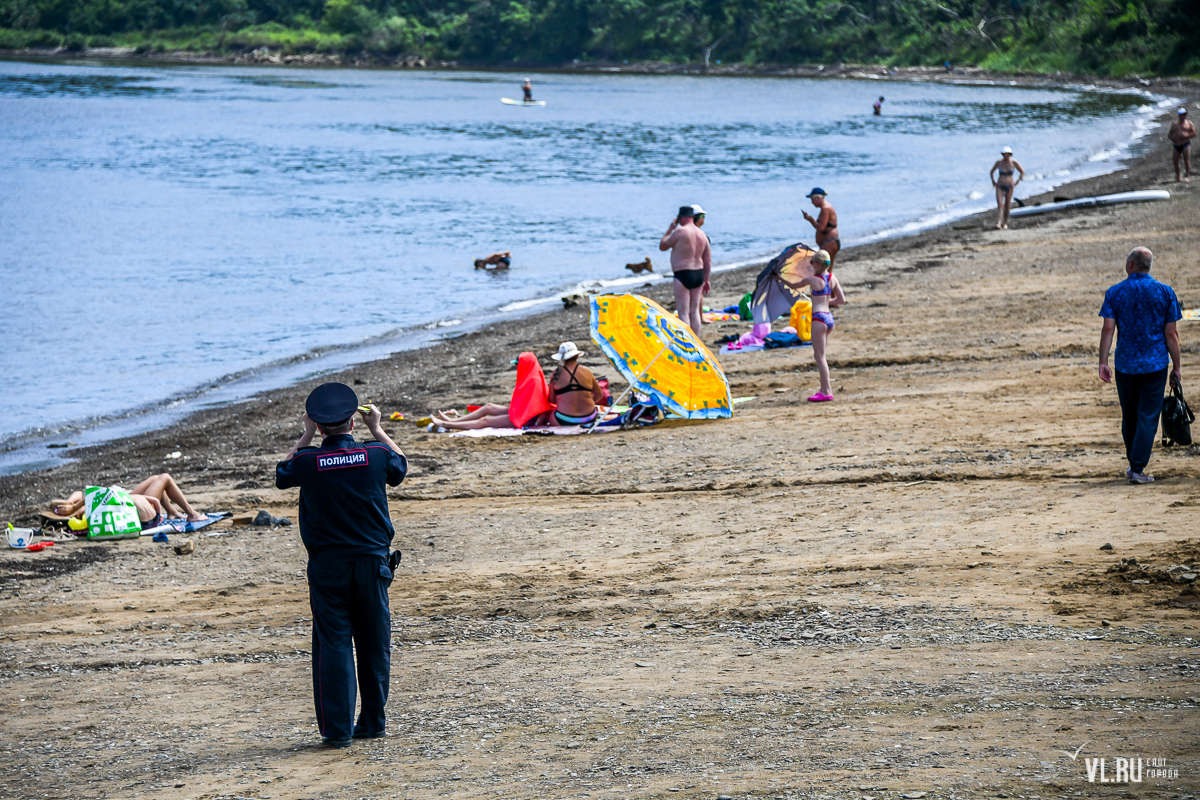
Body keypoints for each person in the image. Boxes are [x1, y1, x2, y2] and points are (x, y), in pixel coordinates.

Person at [276, 382, 407, 747]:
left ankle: (337, 731)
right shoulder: (375, 454)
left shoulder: (307, 462)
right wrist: (377, 429)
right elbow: (401, 466)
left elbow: (282, 474)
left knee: (334, 644)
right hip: (372, 563)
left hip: (328, 567)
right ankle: (373, 722)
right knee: (374, 644)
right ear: (352, 422)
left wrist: (305, 435)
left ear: (319, 425)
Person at [1098, 247, 1183, 484]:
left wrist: (1103, 362)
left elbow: (1108, 329)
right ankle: (1136, 467)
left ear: (1130, 265)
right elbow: (1171, 334)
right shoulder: (1165, 292)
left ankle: (1134, 464)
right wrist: (1176, 366)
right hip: (1155, 364)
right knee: (1148, 416)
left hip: (1125, 365)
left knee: (1130, 416)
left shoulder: (1115, 292)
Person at [431, 352, 556, 430]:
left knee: (485, 421)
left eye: (518, 365)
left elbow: (536, 406)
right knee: (488, 407)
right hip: (523, 413)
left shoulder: (533, 381)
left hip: (526, 419)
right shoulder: (531, 376)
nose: (517, 367)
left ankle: (447, 425)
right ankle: (453, 420)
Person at [784, 250, 845, 402]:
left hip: (818, 319)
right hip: (829, 318)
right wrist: (826, 302)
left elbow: (793, 285)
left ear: (817, 264)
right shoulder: (832, 278)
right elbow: (841, 300)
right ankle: (824, 389)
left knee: (820, 357)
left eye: (812, 263)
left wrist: (779, 278)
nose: (811, 266)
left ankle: (826, 391)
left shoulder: (812, 280)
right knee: (822, 355)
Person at [52, 473, 207, 529]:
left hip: (124, 499)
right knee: (164, 478)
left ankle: (172, 512)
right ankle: (192, 514)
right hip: (128, 506)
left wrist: (71, 504)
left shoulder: (77, 506)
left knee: (155, 478)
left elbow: (78, 494)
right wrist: (74, 508)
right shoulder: (83, 513)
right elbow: (98, 495)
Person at [659, 205, 712, 336]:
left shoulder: (680, 231)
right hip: (698, 274)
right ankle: (696, 341)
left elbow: (663, 246)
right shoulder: (702, 234)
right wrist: (706, 280)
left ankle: (686, 341)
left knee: (683, 312)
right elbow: (707, 260)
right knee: (694, 311)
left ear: (681, 218)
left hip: (682, 274)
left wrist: (670, 229)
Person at [547, 342, 607, 426]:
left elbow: (552, 399)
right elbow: (599, 395)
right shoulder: (587, 371)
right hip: (589, 417)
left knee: (548, 415)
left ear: (561, 358)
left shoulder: (556, 374)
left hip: (565, 419)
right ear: (577, 355)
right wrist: (588, 402)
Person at [989, 146, 1025, 230]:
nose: (1006, 156)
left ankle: (1005, 223)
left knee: (1007, 204)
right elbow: (991, 172)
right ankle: (999, 222)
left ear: (1010, 154)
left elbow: (1022, 172)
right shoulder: (999, 162)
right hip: (1000, 185)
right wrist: (993, 181)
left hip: (1010, 186)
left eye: (1007, 154)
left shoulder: (1013, 162)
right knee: (1000, 204)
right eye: (1004, 154)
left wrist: (1017, 181)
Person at [801, 188, 840, 264]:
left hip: (829, 242)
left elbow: (821, 228)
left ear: (818, 198)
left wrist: (811, 220)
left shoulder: (825, 209)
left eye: (812, 199)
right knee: (827, 268)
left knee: (821, 267)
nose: (812, 202)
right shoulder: (826, 207)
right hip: (830, 242)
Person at [1168, 108, 1195, 183]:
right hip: (1176, 145)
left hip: (1185, 144)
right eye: (1182, 114)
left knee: (1186, 159)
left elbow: (1194, 133)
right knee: (1175, 161)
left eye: (1185, 114)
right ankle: (1178, 177)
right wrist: (1172, 138)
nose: (1184, 116)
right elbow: (1169, 134)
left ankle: (1187, 176)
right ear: (1179, 115)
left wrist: (1187, 135)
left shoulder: (1189, 123)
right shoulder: (1175, 124)